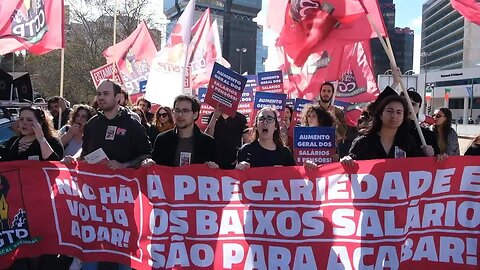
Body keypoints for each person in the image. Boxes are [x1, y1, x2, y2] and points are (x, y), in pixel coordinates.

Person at [341, 96, 423, 164]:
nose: (394, 115)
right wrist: (346, 161)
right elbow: (351, 164)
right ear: (380, 114)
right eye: (389, 111)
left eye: (399, 112)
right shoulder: (363, 142)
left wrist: (434, 159)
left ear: (403, 117)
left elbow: (419, 166)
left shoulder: (408, 142)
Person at [144, 95, 218, 168]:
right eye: (177, 110)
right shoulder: (162, 139)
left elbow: (216, 175)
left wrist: (213, 167)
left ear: (195, 114)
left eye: (185, 111)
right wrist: (149, 163)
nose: (180, 114)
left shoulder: (208, 143)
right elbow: (155, 170)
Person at [401, 90, 440, 157]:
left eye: (413, 104)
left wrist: (434, 156)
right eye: (404, 103)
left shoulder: (429, 136)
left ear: (419, 108)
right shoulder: (388, 132)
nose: (408, 107)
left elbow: (438, 163)